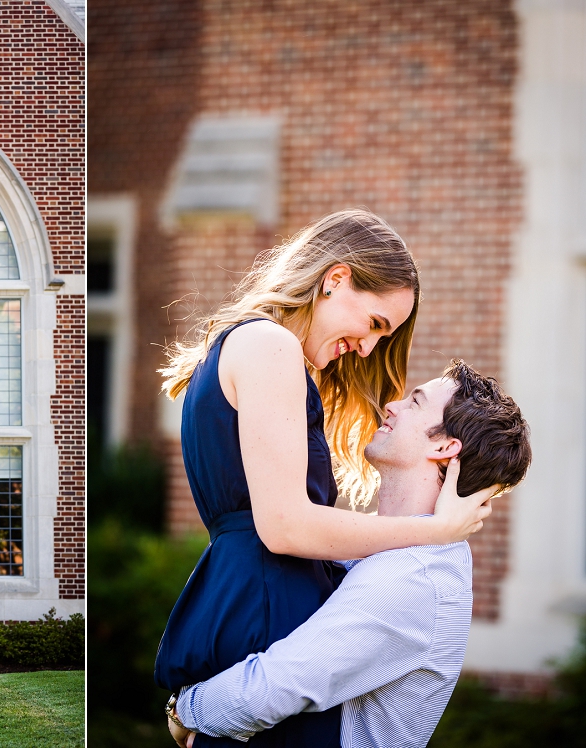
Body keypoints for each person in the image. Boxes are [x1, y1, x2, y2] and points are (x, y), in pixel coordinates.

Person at [155, 210, 493, 747]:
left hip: (245, 593)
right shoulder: (271, 346)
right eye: (376, 325)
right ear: (334, 279)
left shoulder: (252, 346)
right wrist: (436, 531)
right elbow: (286, 526)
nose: (368, 348)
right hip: (266, 601)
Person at [167, 359, 532, 748]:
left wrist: (186, 710)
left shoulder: (413, 576)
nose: (394, 405)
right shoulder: (393, 548)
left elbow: (277, 686)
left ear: (445, 447)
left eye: (416, 402)